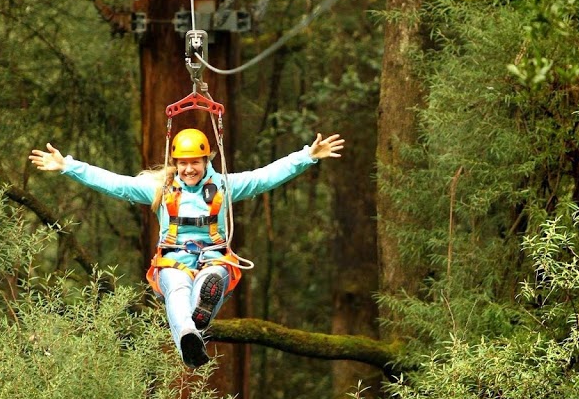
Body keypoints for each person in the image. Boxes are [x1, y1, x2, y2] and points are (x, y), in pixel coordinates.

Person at [28, 129, 344, 368]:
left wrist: (306, 156)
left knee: (213, 278)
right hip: (173, 262)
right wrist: (68, 165)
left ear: (206, 161)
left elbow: (265, 177)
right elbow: (114, 182)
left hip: (214, 259)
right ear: (175, 163)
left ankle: (196, 321)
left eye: (195, 162)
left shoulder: (224, 185)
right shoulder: (160, 188)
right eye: (183, 163)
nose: (189, 168)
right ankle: (190, 338)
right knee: (178, 292)